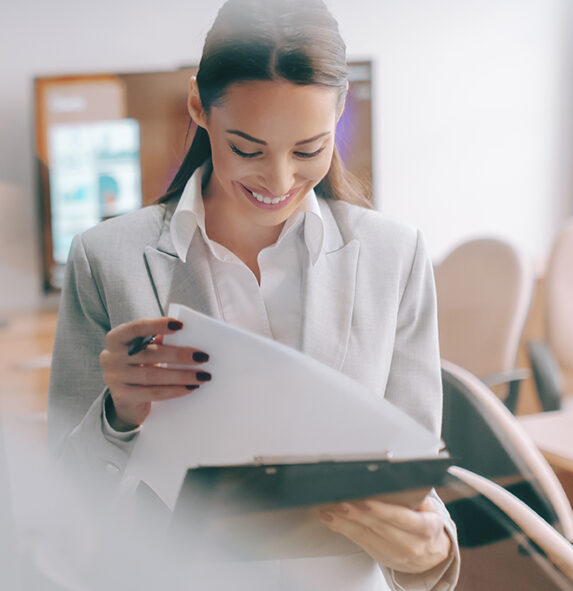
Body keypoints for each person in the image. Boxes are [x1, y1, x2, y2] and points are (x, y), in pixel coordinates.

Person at [48, 1, 460, 589]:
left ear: (341, 110)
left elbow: (411, 479)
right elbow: (62, 497)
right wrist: (119, 415)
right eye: (247, 149)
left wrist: (430, 555)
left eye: (309, 150)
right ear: (199, 106)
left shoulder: (395, 256)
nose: (279, 180)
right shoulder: (106, 259)